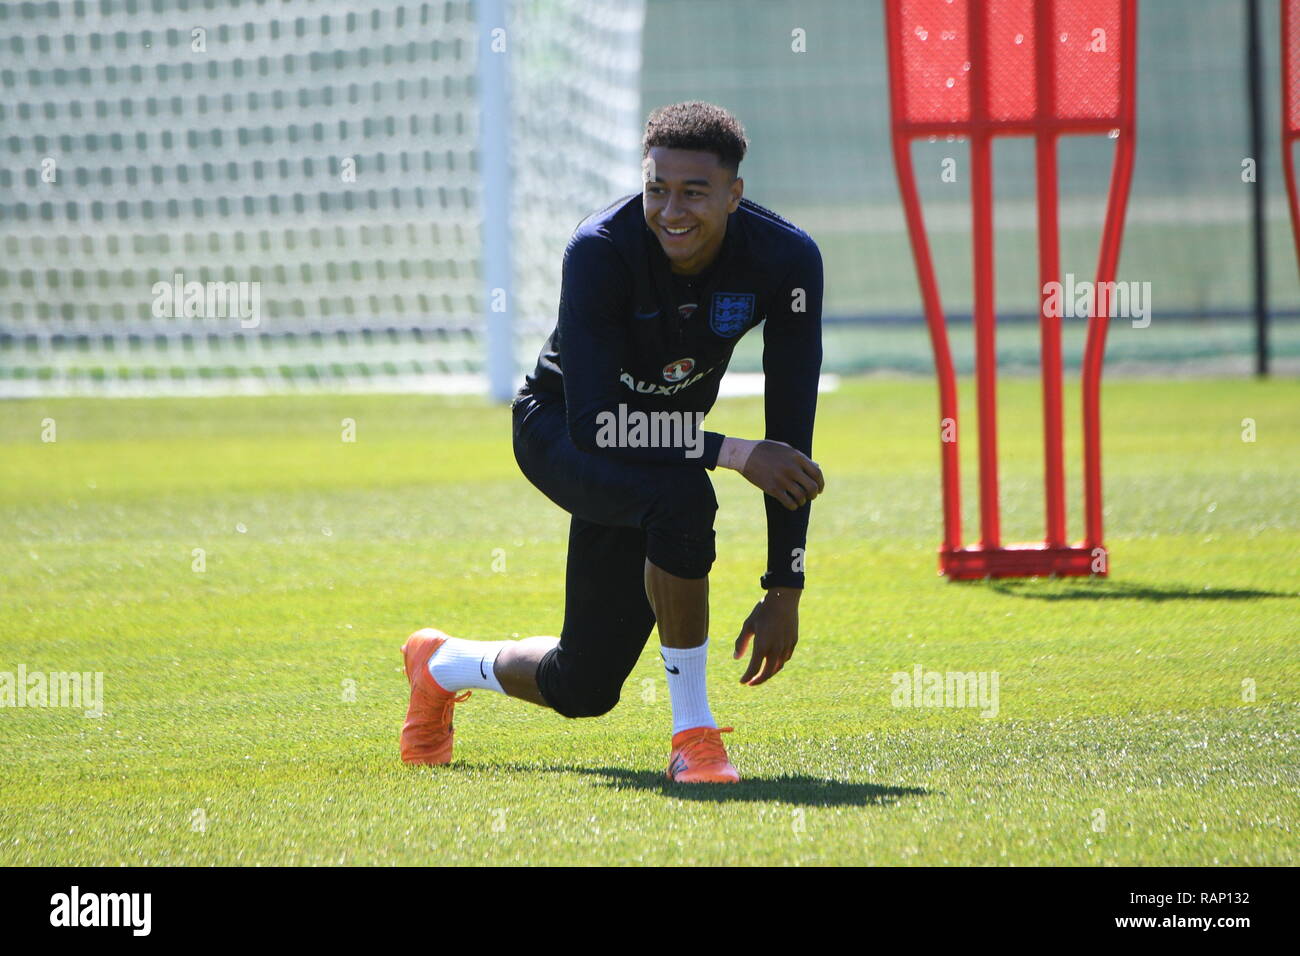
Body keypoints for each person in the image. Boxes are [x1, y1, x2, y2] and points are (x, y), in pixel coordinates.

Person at [400, 101, 825, 783]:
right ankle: (694, 735)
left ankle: (440, 663)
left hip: (661, 452)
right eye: (657, 188)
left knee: (583, 687)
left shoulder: (788, 260)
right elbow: (598, 424)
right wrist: (737, 452)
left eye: (694, 192)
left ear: (734, 194)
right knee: (684, 498)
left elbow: (792, 444)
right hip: (562, 429)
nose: (671, 210)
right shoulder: (600, 248)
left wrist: (785, 587)